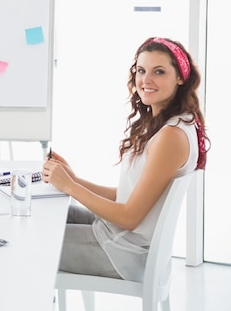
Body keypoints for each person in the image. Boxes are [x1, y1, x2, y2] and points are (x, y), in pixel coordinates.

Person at [43, 37, 209, 283]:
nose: (146, 80)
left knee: (28, 241)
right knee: (43, 215)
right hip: (117, 238)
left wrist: (70, 186)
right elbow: (128, 196)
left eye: (159, 72)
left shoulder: (171, 137)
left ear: (180, 78)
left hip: (123, 252)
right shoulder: (165, 126)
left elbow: (129, 218)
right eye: (141, 70)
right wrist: (73, 179)